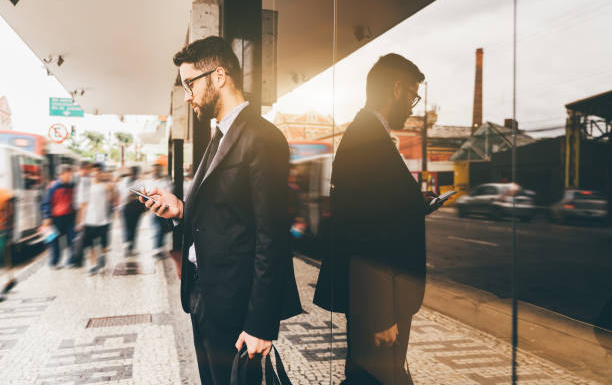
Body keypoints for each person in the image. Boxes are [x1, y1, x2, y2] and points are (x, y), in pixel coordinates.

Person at [140, 36, 301, 384]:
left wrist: (260, 324)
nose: (186, 95)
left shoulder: (262, 138)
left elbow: (271, 237)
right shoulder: (219, 136)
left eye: (189, 84)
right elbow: (227, 214)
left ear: (219, 76)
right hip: (205, 300)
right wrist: (180, 210)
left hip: (237, 309)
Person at [314, 54, 434, 384]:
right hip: (381, 303)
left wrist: (414, 204)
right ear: (396, 89)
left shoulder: (370, 137)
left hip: (384, 298)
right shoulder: (367, 141)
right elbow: (362, 232)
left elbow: (380, 211)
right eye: (412, 94)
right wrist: (380, 315)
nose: (413, 105)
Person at [77, 163, 116, 274]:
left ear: (101, 173)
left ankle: (102, 257)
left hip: (103, 220)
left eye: (98, 171)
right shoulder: (86, 186)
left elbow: (112, 200)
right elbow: (83, 205)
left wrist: (111, 190)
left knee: (104, 245)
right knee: (90, 245)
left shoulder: (106, 186)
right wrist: (80, 221)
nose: (96, 173)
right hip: (89, 220)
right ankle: (93, 265)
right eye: (94, 171)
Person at [41, 164, 77, 268]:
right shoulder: (53, 187)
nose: (69, 176)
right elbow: (46, 203)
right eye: (67, 174)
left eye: (70, 174)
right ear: (61, 174)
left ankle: (71, 261)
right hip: (55, 218)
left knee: (72, 239)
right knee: (53, 241)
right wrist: (47, 216)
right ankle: (54, 262)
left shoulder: (73, 185)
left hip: (70, 217)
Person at [146, 164, 171, 258]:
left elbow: (169, 193)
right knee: (157, 228)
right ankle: (157, 248)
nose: (155, 171)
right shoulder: (149, 182)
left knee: (162, 228)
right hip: (153, 209)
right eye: (154, 170)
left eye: (157, 170)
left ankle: (159, 248)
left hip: (164, 208)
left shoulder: (165, 182)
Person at [122, 166, 144, 256]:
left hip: (128, 207)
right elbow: (142, 194)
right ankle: (130, 246)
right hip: (135, 207)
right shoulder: (139, 182)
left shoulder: (125, 181)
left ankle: (128, 245)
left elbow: (123, 195)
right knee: (133, 228)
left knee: (128, 227)